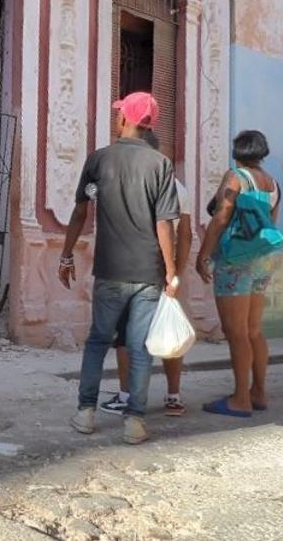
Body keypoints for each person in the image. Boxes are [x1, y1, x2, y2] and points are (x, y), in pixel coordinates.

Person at [60, 92, 181, 444]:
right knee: (140, 346)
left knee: (98, 341)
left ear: (124, 119)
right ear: (149, 124)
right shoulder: (161, 165)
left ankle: (85, 413)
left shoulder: (99, 159)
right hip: (148, 273)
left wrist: (66, 255)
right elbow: (165, 224)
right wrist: (171, 273)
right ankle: (134, 423)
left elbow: (80, 211)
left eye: (119, 114)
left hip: (109, 270)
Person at [99, 129, 192, 418]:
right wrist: (177, 271)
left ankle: (127, 396)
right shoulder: (179, 187)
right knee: (169, 329)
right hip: (166, 272)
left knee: (127, 336)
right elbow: (186, 235)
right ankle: (173, 397)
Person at [194, 130, 281, 417]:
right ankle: (259, 392)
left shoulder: (235, 177)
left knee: (236, 331)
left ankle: (240, 399)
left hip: (234, 260)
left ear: (236, 152)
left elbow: (221, 215)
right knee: (254, 329)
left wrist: (204, 253)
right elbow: (271, 222)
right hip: (262, 260)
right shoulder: (273, 184)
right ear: (263, 153)